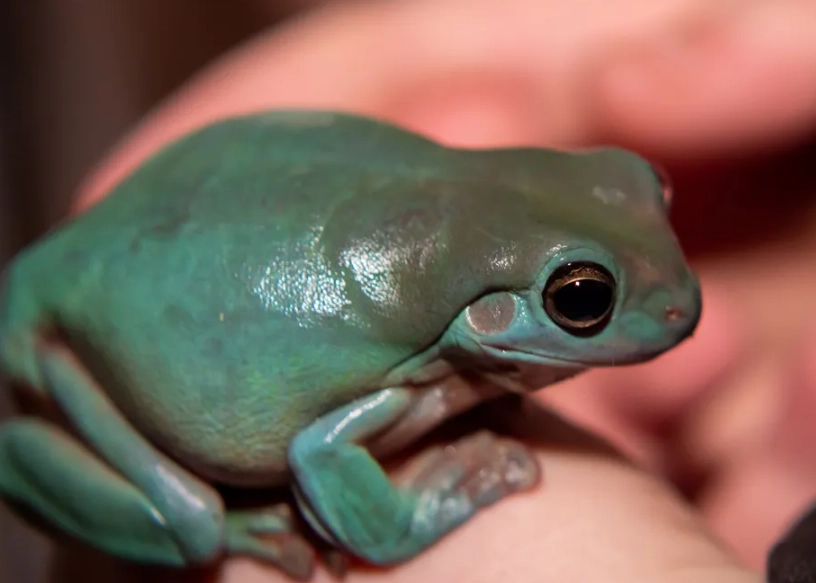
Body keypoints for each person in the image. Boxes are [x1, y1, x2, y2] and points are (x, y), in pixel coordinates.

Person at [59, 0, 816, 581]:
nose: (679, 292)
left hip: (194, 206)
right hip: (74, 343)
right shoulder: (411, 353)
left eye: (649, 187)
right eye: (580, 298)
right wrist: (408, 519)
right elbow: (321, 450)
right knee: (192, 522)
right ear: (484, 311)